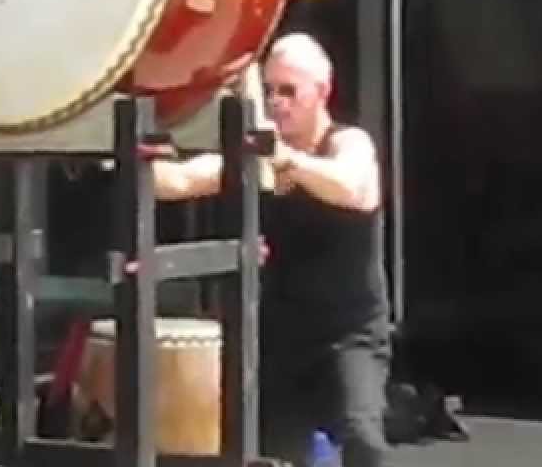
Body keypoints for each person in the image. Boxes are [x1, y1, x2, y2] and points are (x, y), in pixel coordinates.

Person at [153, 32, 392, 467]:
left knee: (363, 439)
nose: (276, 102)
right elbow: (181, 180)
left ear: (322, 92)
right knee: (267, 450)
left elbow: (353, 187)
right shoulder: (259, 159)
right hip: (280, 336)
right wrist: (124, 158)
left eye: (289, 91)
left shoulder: (348, 143)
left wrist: (291, 162)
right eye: (268, 91)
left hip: (347, 334)